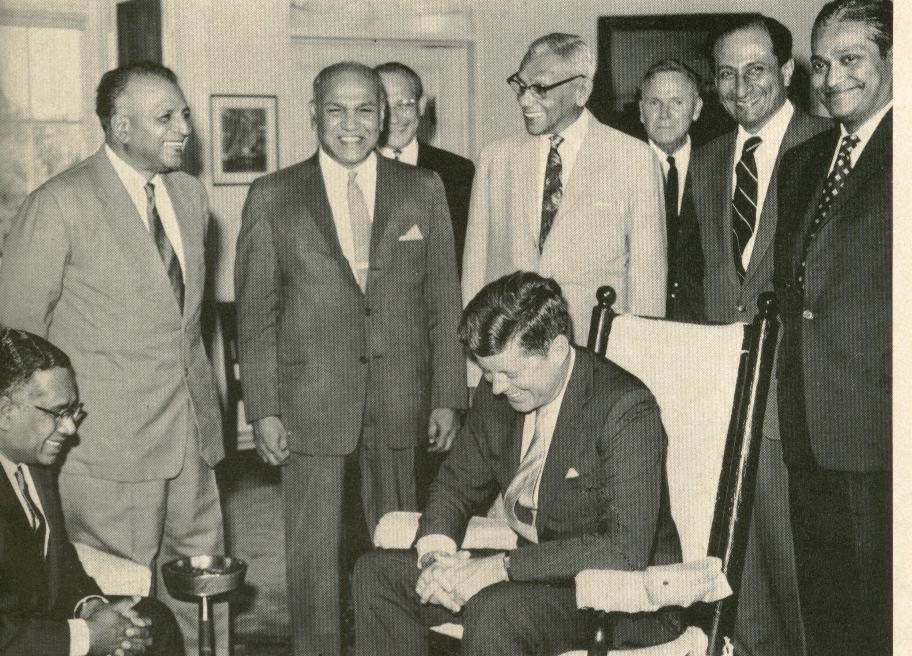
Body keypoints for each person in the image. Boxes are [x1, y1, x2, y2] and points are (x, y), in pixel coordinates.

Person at [234, 61, 466, 656]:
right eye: (336, 110)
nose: (351, 124)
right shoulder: (273, 195)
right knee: (313, 559)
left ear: (383, 115)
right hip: (309, 405)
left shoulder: (423, 188)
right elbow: (256, 319)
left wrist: (448, 395)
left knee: (399, 548)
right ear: (314, 114)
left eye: (365, 110)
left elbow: (444, 303)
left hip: (401, 400)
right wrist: (262, 408)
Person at [0, 62, 226, 654]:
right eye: (165, 118)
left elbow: (186, 324)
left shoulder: (190, 195)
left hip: (192, 437)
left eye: (184, 114)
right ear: (120, 126)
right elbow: (15, 342)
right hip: (106, 451)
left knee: (204, 593)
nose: (184, 129)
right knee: (120, 604)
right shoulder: (59, 203)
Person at [353, 271, 682, 656]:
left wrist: (499, 568)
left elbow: (623, 551)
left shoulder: (625, 409)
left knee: (494, 611)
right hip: (530, 578)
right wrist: (436, 560)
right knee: (377, 576)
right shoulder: (499, 396)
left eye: (508, 373)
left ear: (556, 349)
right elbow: (455, 486)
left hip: (619, 596)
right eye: (487, 372)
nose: (496, 388)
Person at [686, 16, 833, 656]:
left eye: (756, 70)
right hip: (722, 396)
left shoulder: (829, 143)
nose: (740, 87)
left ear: (786, 71)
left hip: (801, 398)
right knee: (734, 566)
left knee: (802, 570)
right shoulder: (707, 159)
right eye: (726, 73)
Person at [774, 2, 892, 654]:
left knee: (884, 618)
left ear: (894, 60)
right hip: (808, 434)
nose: (831, 78)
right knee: (827, 615)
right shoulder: (804, 161)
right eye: (821, 64)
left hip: (882, 434)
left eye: (851, 59)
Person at [462, 33, 666, 377]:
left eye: (540, 88)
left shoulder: (634, 158)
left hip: (595, 360)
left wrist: (640, 371)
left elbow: (648, 280)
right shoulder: (495, 159)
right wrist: (474, 371)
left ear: (581, 91)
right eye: (520, 85)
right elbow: (475, 271)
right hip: (508, 363)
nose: (524, 100)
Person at [0, 327, 185, 656]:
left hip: (37, 627)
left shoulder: (36, 464)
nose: (70, 428)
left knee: (153, 622)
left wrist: (92, 607)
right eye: (58, 413)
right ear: (4, 412)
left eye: (73, 411)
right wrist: (85, 637)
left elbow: (59, 559)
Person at [374, 61, 475, 275]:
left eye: (404, 104)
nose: (394, 118)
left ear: (421, 106)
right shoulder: (351, 172)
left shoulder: (459, 171)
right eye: (383, 107)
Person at [638, 59, 705, 321]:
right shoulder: (619, 168)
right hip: (639, 318)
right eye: (655, 103)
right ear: (641, 111)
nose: (664, 114)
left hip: (701, 320)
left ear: (696, 109)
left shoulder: (717, 166)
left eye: (676, 102)